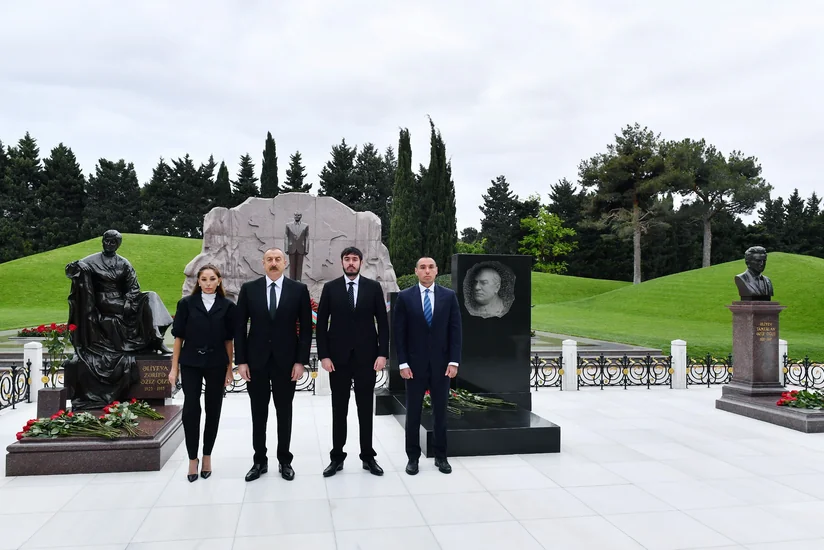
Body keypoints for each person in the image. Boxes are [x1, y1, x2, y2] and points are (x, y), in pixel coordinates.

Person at [63, 229, 173, 410]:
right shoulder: (91, 261)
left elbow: (134, 287)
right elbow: (70, 271)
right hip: (103, 301)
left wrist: (130, 300)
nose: (109, 244)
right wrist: (76, 266)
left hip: (122, 301)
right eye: (107, 241)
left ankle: (155, 338)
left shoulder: (123, 263)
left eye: (113, 242)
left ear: (118, 244)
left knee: (151, 296)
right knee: (127, 307)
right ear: (102, 241)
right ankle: (152, 338)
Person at [234, 247, 312, 482]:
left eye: (278, 259)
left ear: (285, 263)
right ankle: (259, 460)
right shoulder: (249, 289)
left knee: (284, 412)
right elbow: (239, 326)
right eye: (270, 259)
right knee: (258, 413)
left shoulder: (298, 290)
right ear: (263, 263)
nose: (274, 263)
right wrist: (241, 361)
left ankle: (285, 460)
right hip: (256, 362)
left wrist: (301, 361)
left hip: (286, 362)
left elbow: (307, 329)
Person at [316, 247, 389, 477]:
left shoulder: (373, 287)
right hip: (338, 360)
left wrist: (382, 354)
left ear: (360, 262)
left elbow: (383, 324)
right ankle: (337, 457)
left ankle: (368, 456)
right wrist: (324, 356)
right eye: (346, 259)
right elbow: (321, 326)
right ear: (341, 262)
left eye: (354, 259)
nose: (350, 263)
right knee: (339, 408)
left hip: (367, 359)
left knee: (365, 408)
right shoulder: (330, 288)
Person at [393, 257, 462, 475]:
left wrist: (453, 361)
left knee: (440, 412)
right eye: (422, 267)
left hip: (442, 366)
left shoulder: (449, 297)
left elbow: (455, 331)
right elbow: (399, 334)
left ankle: (441, 457)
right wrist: (402, 363)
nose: (427, 271)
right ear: (416, 271)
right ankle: (412, 457)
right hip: (413, 366)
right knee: (413, 413)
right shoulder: (405, 298)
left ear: (436, 270)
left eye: (431, 267)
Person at [168, 264, 236, 482]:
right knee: (191, 410)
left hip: (216, 363)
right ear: (198, 281)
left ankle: (207, 456)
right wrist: (174, 368)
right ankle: (192, 459)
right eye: (204, 279)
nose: (208, 283)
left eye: (212, 279)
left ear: (219, 281)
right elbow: (178, 338)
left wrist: (229, 369)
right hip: (191, 363)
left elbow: (229, 341)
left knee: (213, 408)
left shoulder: (227, 306)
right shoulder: (186, 304)